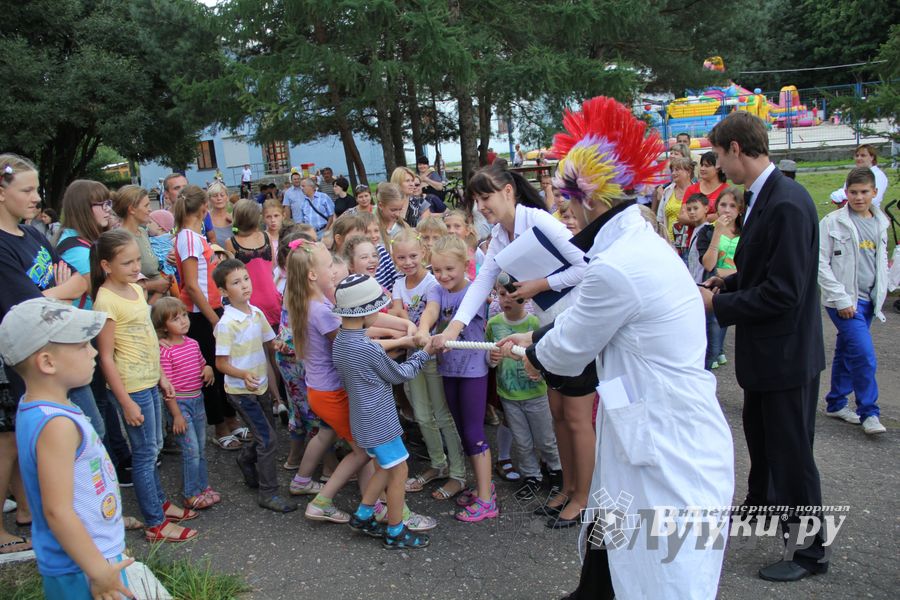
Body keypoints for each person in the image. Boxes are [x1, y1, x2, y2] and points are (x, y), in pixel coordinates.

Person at [509, 96, 733, 598]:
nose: (562, 212)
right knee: (613, 523)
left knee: (663, 564)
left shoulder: (617, 265)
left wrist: (531, 350)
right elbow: (590, 324)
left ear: (589, 198)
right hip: (645, 416)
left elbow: (566, 352)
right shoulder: (636, 244)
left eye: (566, 200)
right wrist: (535, 337)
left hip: (662, 435)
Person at [700, 110, 828, 582]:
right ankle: (767, 510)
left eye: (717, 155)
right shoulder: (765, 196)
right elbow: (766, 272)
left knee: (793, 455)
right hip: (767, 356)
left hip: (786, 357)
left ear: (736, 149)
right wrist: (729, 282)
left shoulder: (787, 203)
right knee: (765, 442)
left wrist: (719, 305)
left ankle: (813, 552)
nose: (715, 166)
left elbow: (785, 291)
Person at [436, 165, 590, 525]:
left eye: (486, 196)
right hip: (550, 327)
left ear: (508, 191)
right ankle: (565, 490)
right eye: (476, 199)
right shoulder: (499, 236)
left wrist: (539, 285)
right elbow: (482, 282)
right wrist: (453, 330)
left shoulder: (538, 220)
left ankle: (582, 499)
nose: (481, 205)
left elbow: (585, 265)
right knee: (559, 415)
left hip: (578, 322)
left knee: (577, 417)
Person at [2, 299, 135, 598]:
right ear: (48, 362)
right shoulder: (56, 425)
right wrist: (99, 570)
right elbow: (57, 511)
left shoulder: (37, 406)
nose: (94, 352)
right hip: (82, 568)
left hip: (88, 555)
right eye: (83, 345)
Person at [0, 153, 88, 556]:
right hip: (16, 359)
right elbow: (22, 306)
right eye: (27, 190)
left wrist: (52, 294)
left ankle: (30, 512)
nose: (37, 197)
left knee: (19, 439)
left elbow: (72, 280)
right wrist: (58, 293)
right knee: (7, 441)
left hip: (48, 348)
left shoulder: (32, 233)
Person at [91, 229, 198, 543]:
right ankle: (155, 522)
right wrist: (125, 402)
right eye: (127, 262)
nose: (136, 266)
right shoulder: (105, 301)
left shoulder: (135, 290)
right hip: (132, 386)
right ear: (106, 266)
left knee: (152, 450)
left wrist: (162, 376)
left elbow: (149, 337)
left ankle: (160, 503)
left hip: (150, 379)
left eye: (138, 259)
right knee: (145, 453)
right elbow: (106, 358)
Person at [332, 274, 435, 549]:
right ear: (368, 311)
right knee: (399, 471)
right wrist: (424, 352)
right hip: (381, 422)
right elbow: (401, 375)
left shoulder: (340, 342)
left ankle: (364, 514)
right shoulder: (369, 349)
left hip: (362, 420)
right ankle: (395, 530)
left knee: (385, 467)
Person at [416, 235, 497, 522]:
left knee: (474, 433)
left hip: (473, 371)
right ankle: (482, 488)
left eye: (449, 269)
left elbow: (454, 320)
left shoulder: (474, 291)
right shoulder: (437, 290)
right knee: (463, 431)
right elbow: (431, 311)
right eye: (437, 270)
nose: (443, 275)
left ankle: (487, 500)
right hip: (448, 368)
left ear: (466, 265)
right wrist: (423, 330)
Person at [212, 259, 297, 513]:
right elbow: (220, 364)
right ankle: (268, 493)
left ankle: (246, 460)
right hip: (241, 392)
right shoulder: (227, 324)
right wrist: (242, 374)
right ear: (224, 292)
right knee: (269, 440)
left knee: (265, 436)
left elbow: (270, 342)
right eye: (236, 283)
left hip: (259, 386)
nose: (244, 285)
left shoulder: (256, 313)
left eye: (246, 279)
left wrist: (281, 345)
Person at [389, 229, 466, 500]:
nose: (408, 262)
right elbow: (396, 312)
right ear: (393, 258)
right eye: (401, 257)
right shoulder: (399, 284)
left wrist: (417, 328)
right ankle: (438, 463)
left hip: (432, 354)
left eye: (413, 256)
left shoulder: (432, 283)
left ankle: (458, 472)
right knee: (421, 414)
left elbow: (430, 314)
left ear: (423, 253)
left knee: (442, 414)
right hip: (413, 354)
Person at [173, 185, 246, 451]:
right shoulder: (189, 238)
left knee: (222, 364)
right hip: (202, 314)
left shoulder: (193, 235)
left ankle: (230, 417)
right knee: (212, 371)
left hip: (212, 308)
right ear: (204, 207)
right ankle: (220, 425)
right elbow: (191, 285)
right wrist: (214, 320)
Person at [817, 167, 888, 435]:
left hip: (869, 300)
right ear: (846, 193)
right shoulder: (832, 222)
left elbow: (878, 260)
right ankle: (869, 411)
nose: (859, 198)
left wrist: (884, 290)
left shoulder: (881, 222)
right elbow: (820, 263)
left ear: (874, 193)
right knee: (864, 355)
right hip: (845, 301)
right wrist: (840, 298)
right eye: (853, 192)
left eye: (864, 192)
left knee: (848, 350)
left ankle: (836, 402)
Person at [485, 282, 560, 501]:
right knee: (522, 440)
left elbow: (546, 355)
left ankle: (556, 472)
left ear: (526, 298)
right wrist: (491, 360)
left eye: (513, 295)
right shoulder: (494, 324)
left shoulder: (535, 323)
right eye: (501, 294)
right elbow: (489, 354)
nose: (506, 299)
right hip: (508, 394)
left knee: (546, 439)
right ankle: (531, 476)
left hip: (535, 393)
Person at [152, 297, 221, 510]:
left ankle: (203, 486)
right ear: (163, 326)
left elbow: (201, 363)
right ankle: (190, 493)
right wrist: (176, 415)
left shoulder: (193, 343)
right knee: (191, 450)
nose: (183, 321)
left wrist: (208, 367)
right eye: (175, 319)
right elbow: (168, 387)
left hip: (197, 400)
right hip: (180, 404)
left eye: (184, 315)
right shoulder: (165, 351)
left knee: (200, 447)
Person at [700, 187, 744, 370]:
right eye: (723, 204)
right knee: (711, 343)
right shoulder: (708, 231)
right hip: (715, 289)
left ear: (740, 209)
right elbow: (709, 265)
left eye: (732, 206)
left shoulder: (747, 232)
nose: (727, 210)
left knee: (722, 343)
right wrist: (718, 232)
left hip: (737, 289)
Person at [224, 200, 283, 328]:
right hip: (271, 296)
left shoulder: (231, 242)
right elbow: (272, 264)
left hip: (249, 300)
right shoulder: (266, 236)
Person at [112, 185, 172, 304]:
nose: (150, 209)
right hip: (143, 304)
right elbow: (120, 282)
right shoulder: (120, 238)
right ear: (132, 209)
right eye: (146, 205)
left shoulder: (143, 232)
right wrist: (155, 286)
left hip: (159, 303)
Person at [653, 156, 692, 241]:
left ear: (688, 171)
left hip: (689, 240)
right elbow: (660, 219)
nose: (673, 173)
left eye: (677, 170)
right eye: (672, 170)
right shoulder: (667, 191)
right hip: (670, 241)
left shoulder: (696, 190)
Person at [684, 151, 728, 222]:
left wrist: (696, 218)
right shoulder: (691, 189)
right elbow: (682, 216)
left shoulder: (726, 190)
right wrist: (706, 218)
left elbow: (727, 215)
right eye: (702, 165)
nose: (702, 169)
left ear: (718, 168)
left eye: (707, 166)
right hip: (695, 232)